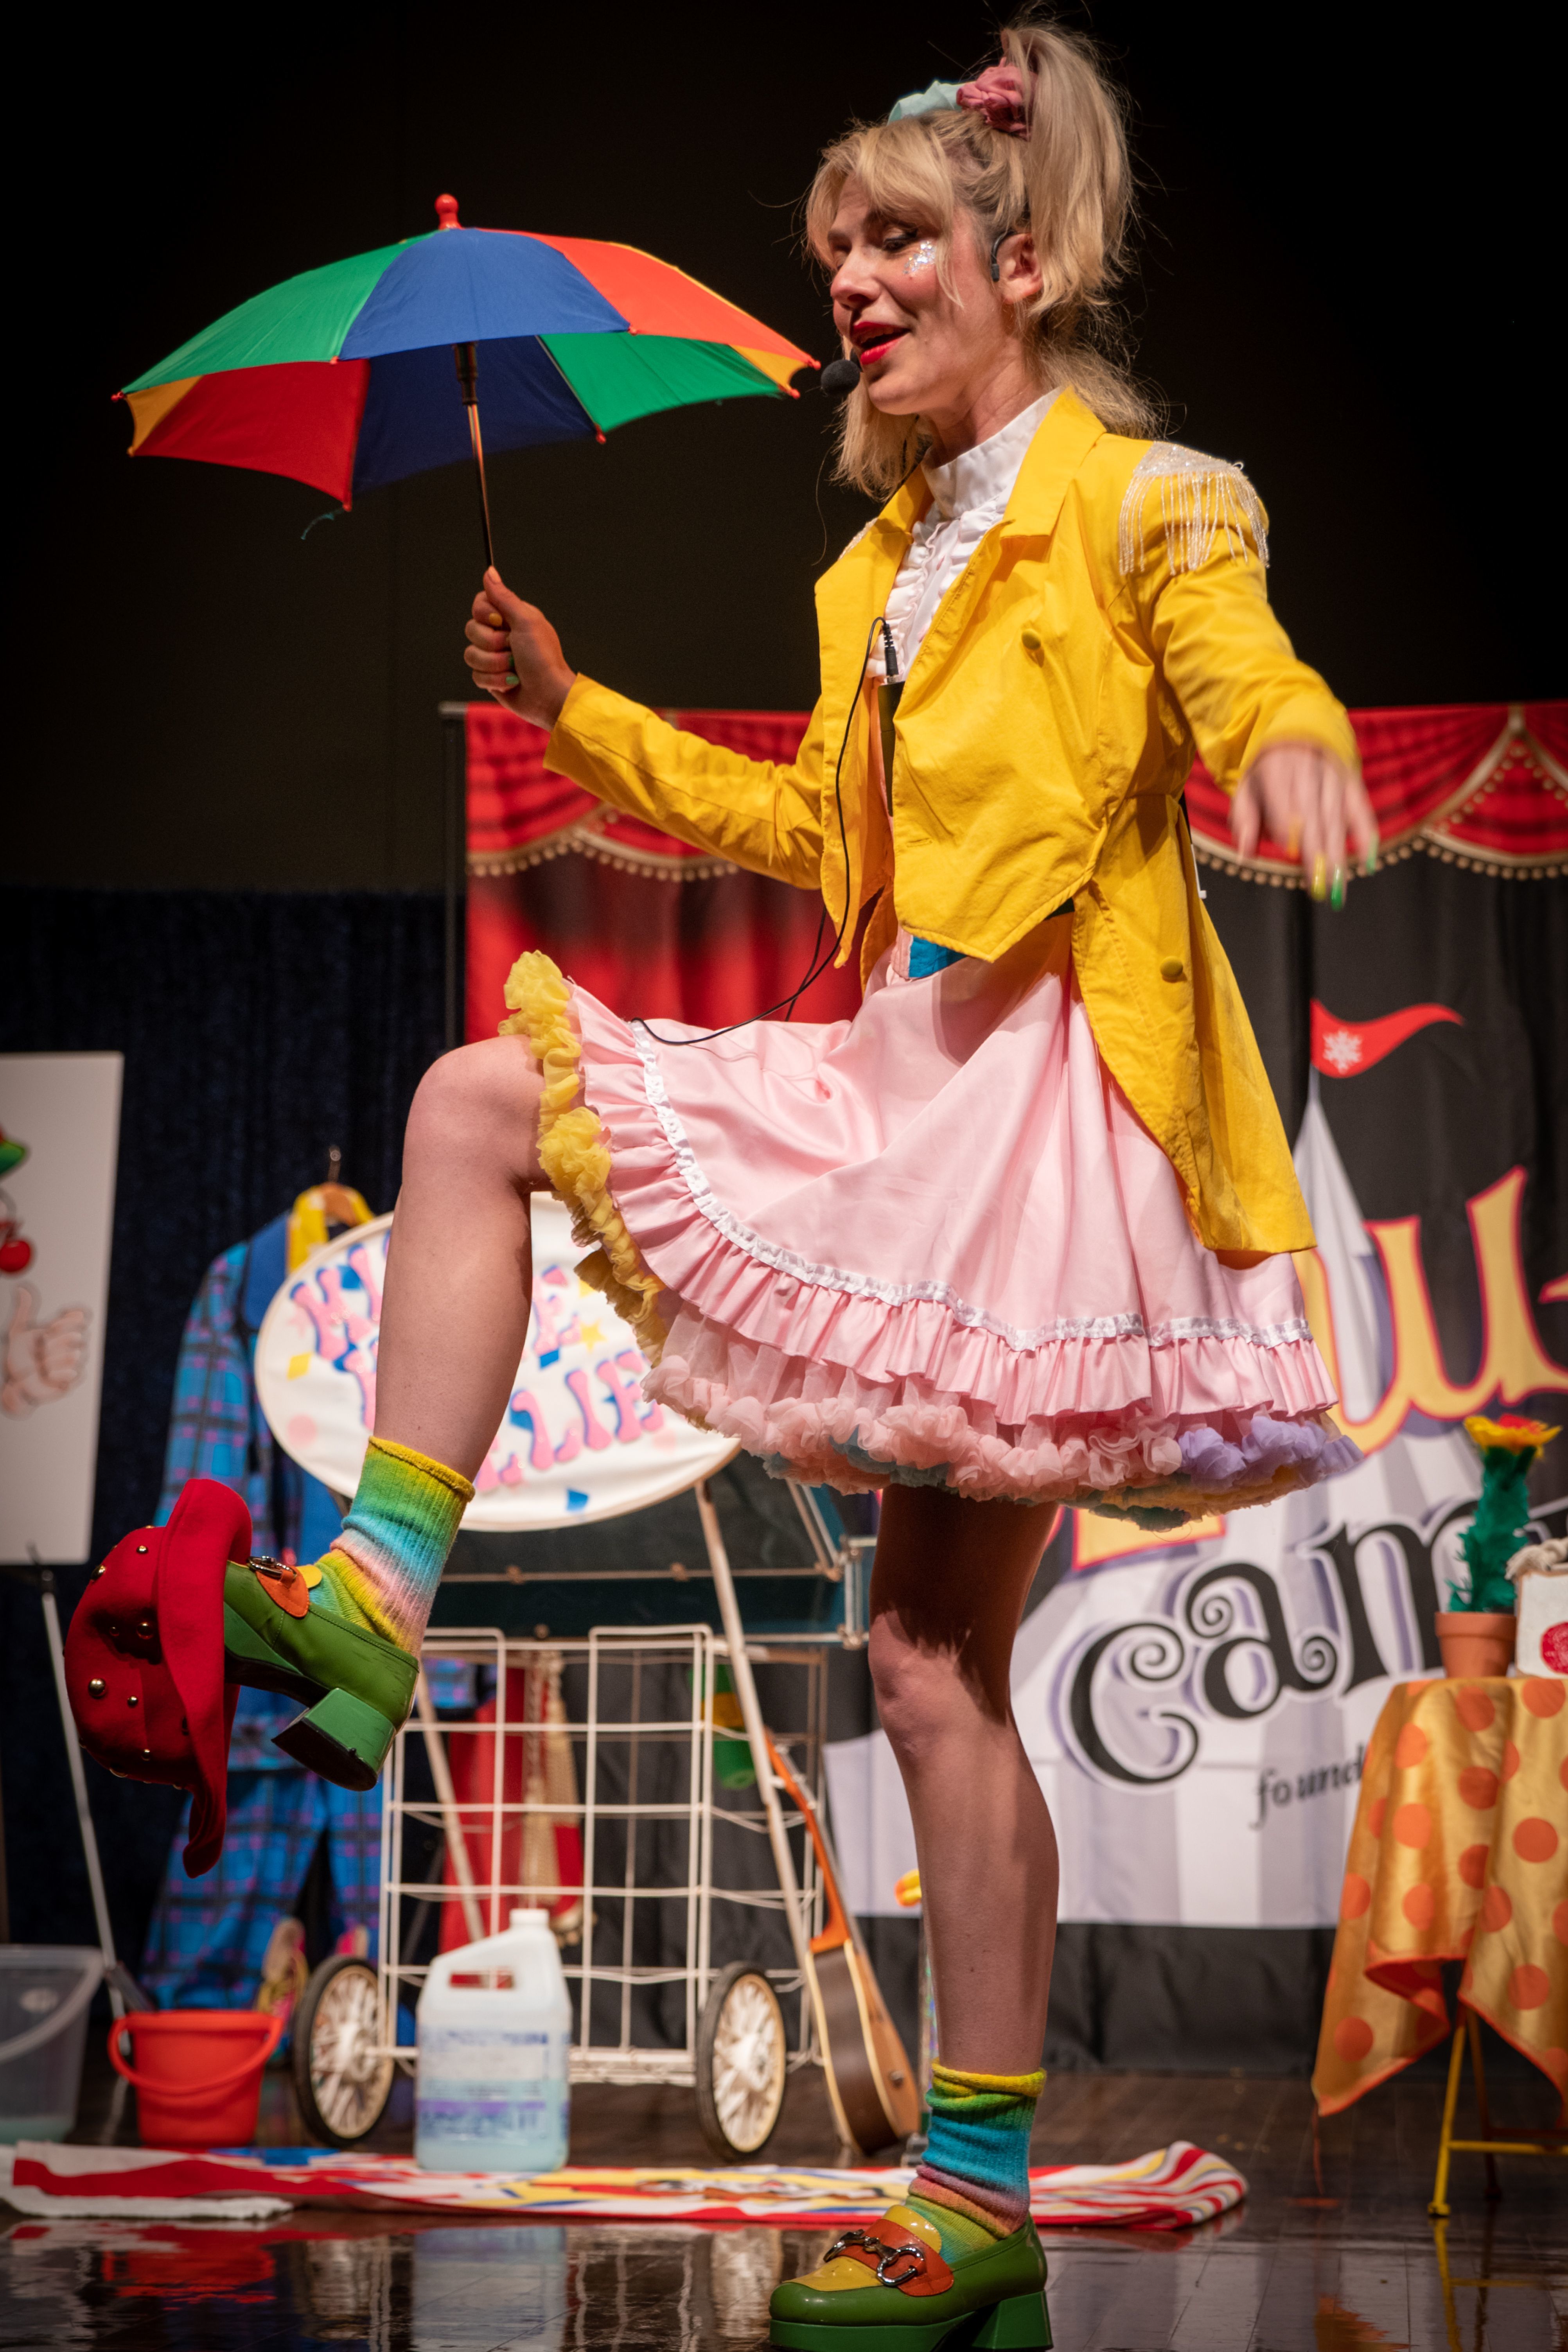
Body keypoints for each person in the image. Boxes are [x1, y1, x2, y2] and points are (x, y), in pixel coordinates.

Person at [73, 14, 1373, 2346]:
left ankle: (972, 2196)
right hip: (899, 1068)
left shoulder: (1147, 500)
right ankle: (375, 1590)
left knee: (938, 1666)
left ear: (1024, 261)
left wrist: (1285, 742)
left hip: (1040, 1107)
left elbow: (1235, 661)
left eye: (897, 242)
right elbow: (812, 834)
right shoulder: (881, 563)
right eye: (837, 252)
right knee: (488, 1118)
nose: (853, 283)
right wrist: (572, 712)